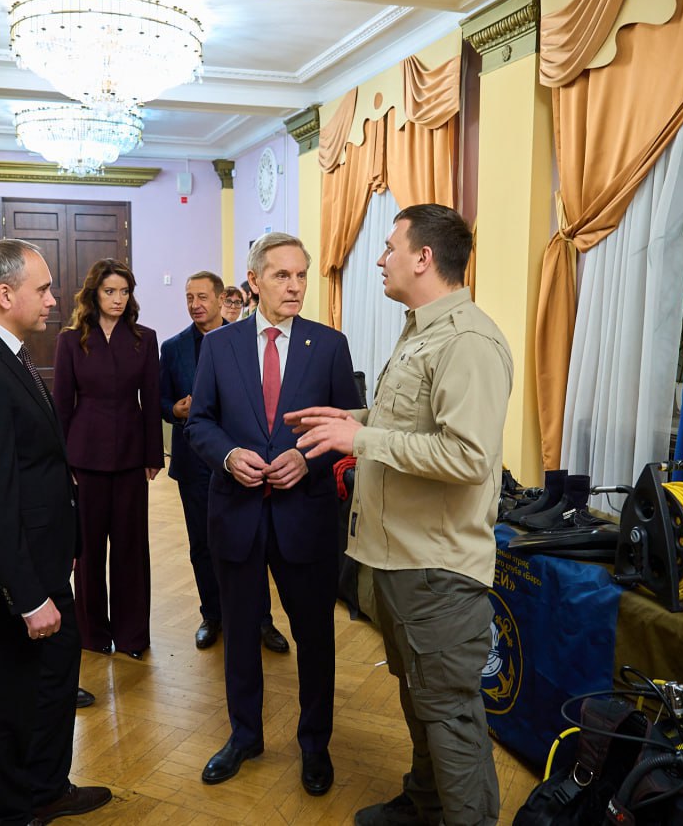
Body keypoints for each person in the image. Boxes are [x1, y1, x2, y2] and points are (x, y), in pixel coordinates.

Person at [287, 204, 512, 826]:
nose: (381, 259)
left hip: (437, 569)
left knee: (450, 715)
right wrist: (349, 421)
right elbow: (408, 427)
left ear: (424, 258)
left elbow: (468, 457)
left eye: (389, 247)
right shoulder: (421, 330)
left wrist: (359, 441)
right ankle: (425, 804)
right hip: (396, 557)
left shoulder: (468, 341)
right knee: (420, 701)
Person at [0, 239, 109, 825]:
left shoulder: (2, 353)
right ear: (5, 294)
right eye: (43, 289)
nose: (54, 300)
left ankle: (47, 788)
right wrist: (29, 595)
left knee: (54, 681)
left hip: (43, 560)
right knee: (10, 698)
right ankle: (10, 810)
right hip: (17, 576)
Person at [186, 232, 361, 795]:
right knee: (239, 632)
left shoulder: (329, 346)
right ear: (254, 281)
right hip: (235, 513)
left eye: (302, 275)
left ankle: (315, 745)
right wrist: (231, 455)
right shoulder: (219, 346)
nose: (295, 286)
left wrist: (305, 461)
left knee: (314, 635)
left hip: (304, 517)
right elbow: (199, 424)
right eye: (282, 275)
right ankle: (244, 736)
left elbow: (343, 433)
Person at [159, 271, 287, 652]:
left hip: (241, 462)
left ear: (220, 300)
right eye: (188, 297)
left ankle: (261, 620)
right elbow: (161, 403)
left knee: (253, 543)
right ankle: (211, 615)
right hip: (194, 462)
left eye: (202, 297)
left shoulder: (247, 341)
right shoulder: (172, 347)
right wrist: (176, 410)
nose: (195, 304)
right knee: (202, 544)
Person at [53, 259, 163, 659]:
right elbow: (62, 406)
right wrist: (63, 464)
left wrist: (154, 454)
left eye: (124, 291)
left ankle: (134, 636)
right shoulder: (71, 340)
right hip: (84, 458)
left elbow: (151, 400)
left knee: (132, 549)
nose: (118, 299)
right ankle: (92, 634)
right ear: (94, 295)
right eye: (110, 291)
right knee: (89, 551)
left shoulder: (144, 338)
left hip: (133, 456)